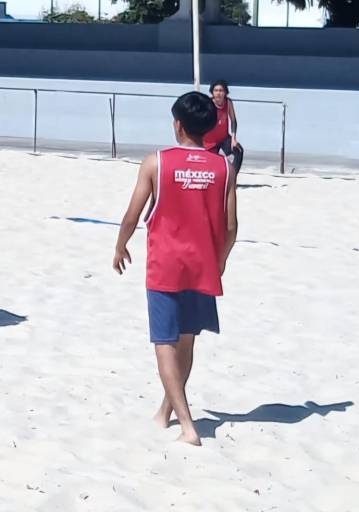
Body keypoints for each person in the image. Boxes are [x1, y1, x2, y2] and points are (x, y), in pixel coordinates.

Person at [113, 91, 238, 446]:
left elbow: (133, 214)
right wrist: (221, 260)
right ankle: (166, 411)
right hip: (202, 264)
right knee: (187, 341)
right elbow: (231, 226)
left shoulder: (157, 162)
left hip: (166, 264)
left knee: (165, 344)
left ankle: (187, 426)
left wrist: (120, 245)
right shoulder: (224, 166)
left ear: (178, 125)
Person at [203, 79, 244, 173]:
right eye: (216, 90)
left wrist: (233, 138)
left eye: (221, 90)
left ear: (225, 92)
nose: (218, 93)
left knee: (238, 150)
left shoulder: (228, 103)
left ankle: (233, 178)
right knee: (208, 166)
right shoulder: (208, 104)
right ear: (212, 92)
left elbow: (233, 120)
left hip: (223, 138)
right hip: (209, 141)